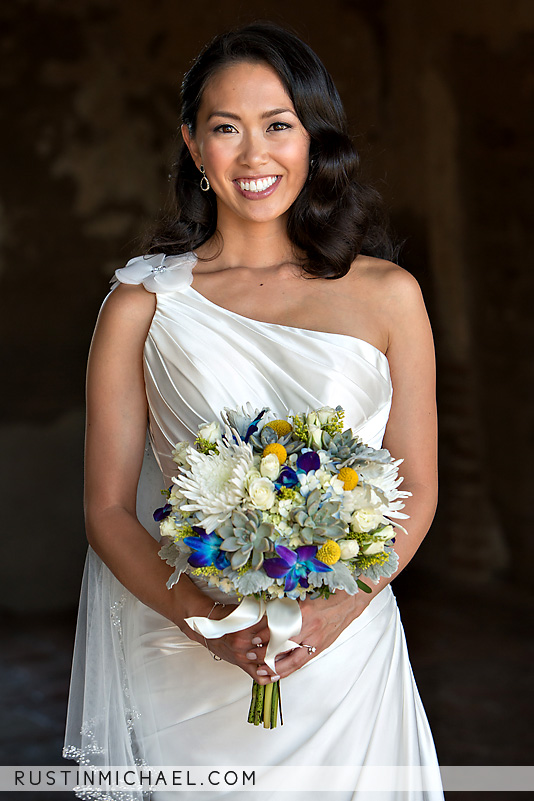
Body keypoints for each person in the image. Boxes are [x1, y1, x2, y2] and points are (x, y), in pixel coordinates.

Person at [64, 21, 443, 801]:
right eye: (225, 128)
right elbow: (106, 508)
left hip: (344, 654)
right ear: (194, 147)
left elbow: (418, 488)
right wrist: (210, 620)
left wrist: (338, 613)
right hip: (188, 654)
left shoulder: (389, 297)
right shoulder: (142, 304)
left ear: (314, 140)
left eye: (278, 125)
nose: (253, 154)